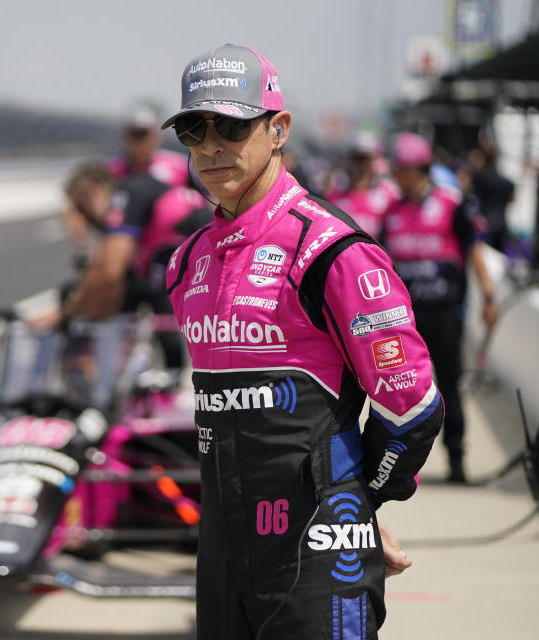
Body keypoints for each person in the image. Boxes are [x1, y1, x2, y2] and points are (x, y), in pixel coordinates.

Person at [161, 44, 442, 639]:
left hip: (314, 551)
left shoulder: (333, 252)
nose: (211, 145)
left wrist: (362, 505)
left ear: (278, 129)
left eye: (233, 125)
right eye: (193, 127)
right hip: (221, 549)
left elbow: (410, 401)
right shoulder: (187, 262)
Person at [382, 131, 498, 483]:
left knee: (449, 386)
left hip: (446, 314)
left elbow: (475, 250)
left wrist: (489, 296)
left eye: (401, 167)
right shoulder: (393, 211)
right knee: (400, 391)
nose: (395, 174)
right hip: (405, 320)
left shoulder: (451, 203)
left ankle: (457, 460)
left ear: (419, 168)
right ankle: (395, 466)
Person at [60, 161, 212, 368]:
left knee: (150, 296)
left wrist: (67, 316)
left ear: (93, 193)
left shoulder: (125, 195)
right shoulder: (137, 191)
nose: (86, 220)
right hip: (195, 249)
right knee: (136, 291)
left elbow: (109, 272)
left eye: (81, 209)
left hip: (199, 251)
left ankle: (167, 387)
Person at [326, 131, 399, 239]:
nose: (360, 165)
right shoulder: (335, 195)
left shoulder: (389, 194)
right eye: (356, 159)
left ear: (374, 160)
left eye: (365, 159)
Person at [106, 104, 189, 187]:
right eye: (134, 134)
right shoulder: (110, 171)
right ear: (124, 137)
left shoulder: (181, 168)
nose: (139, 141)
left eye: (143, 135)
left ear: (156, 136)